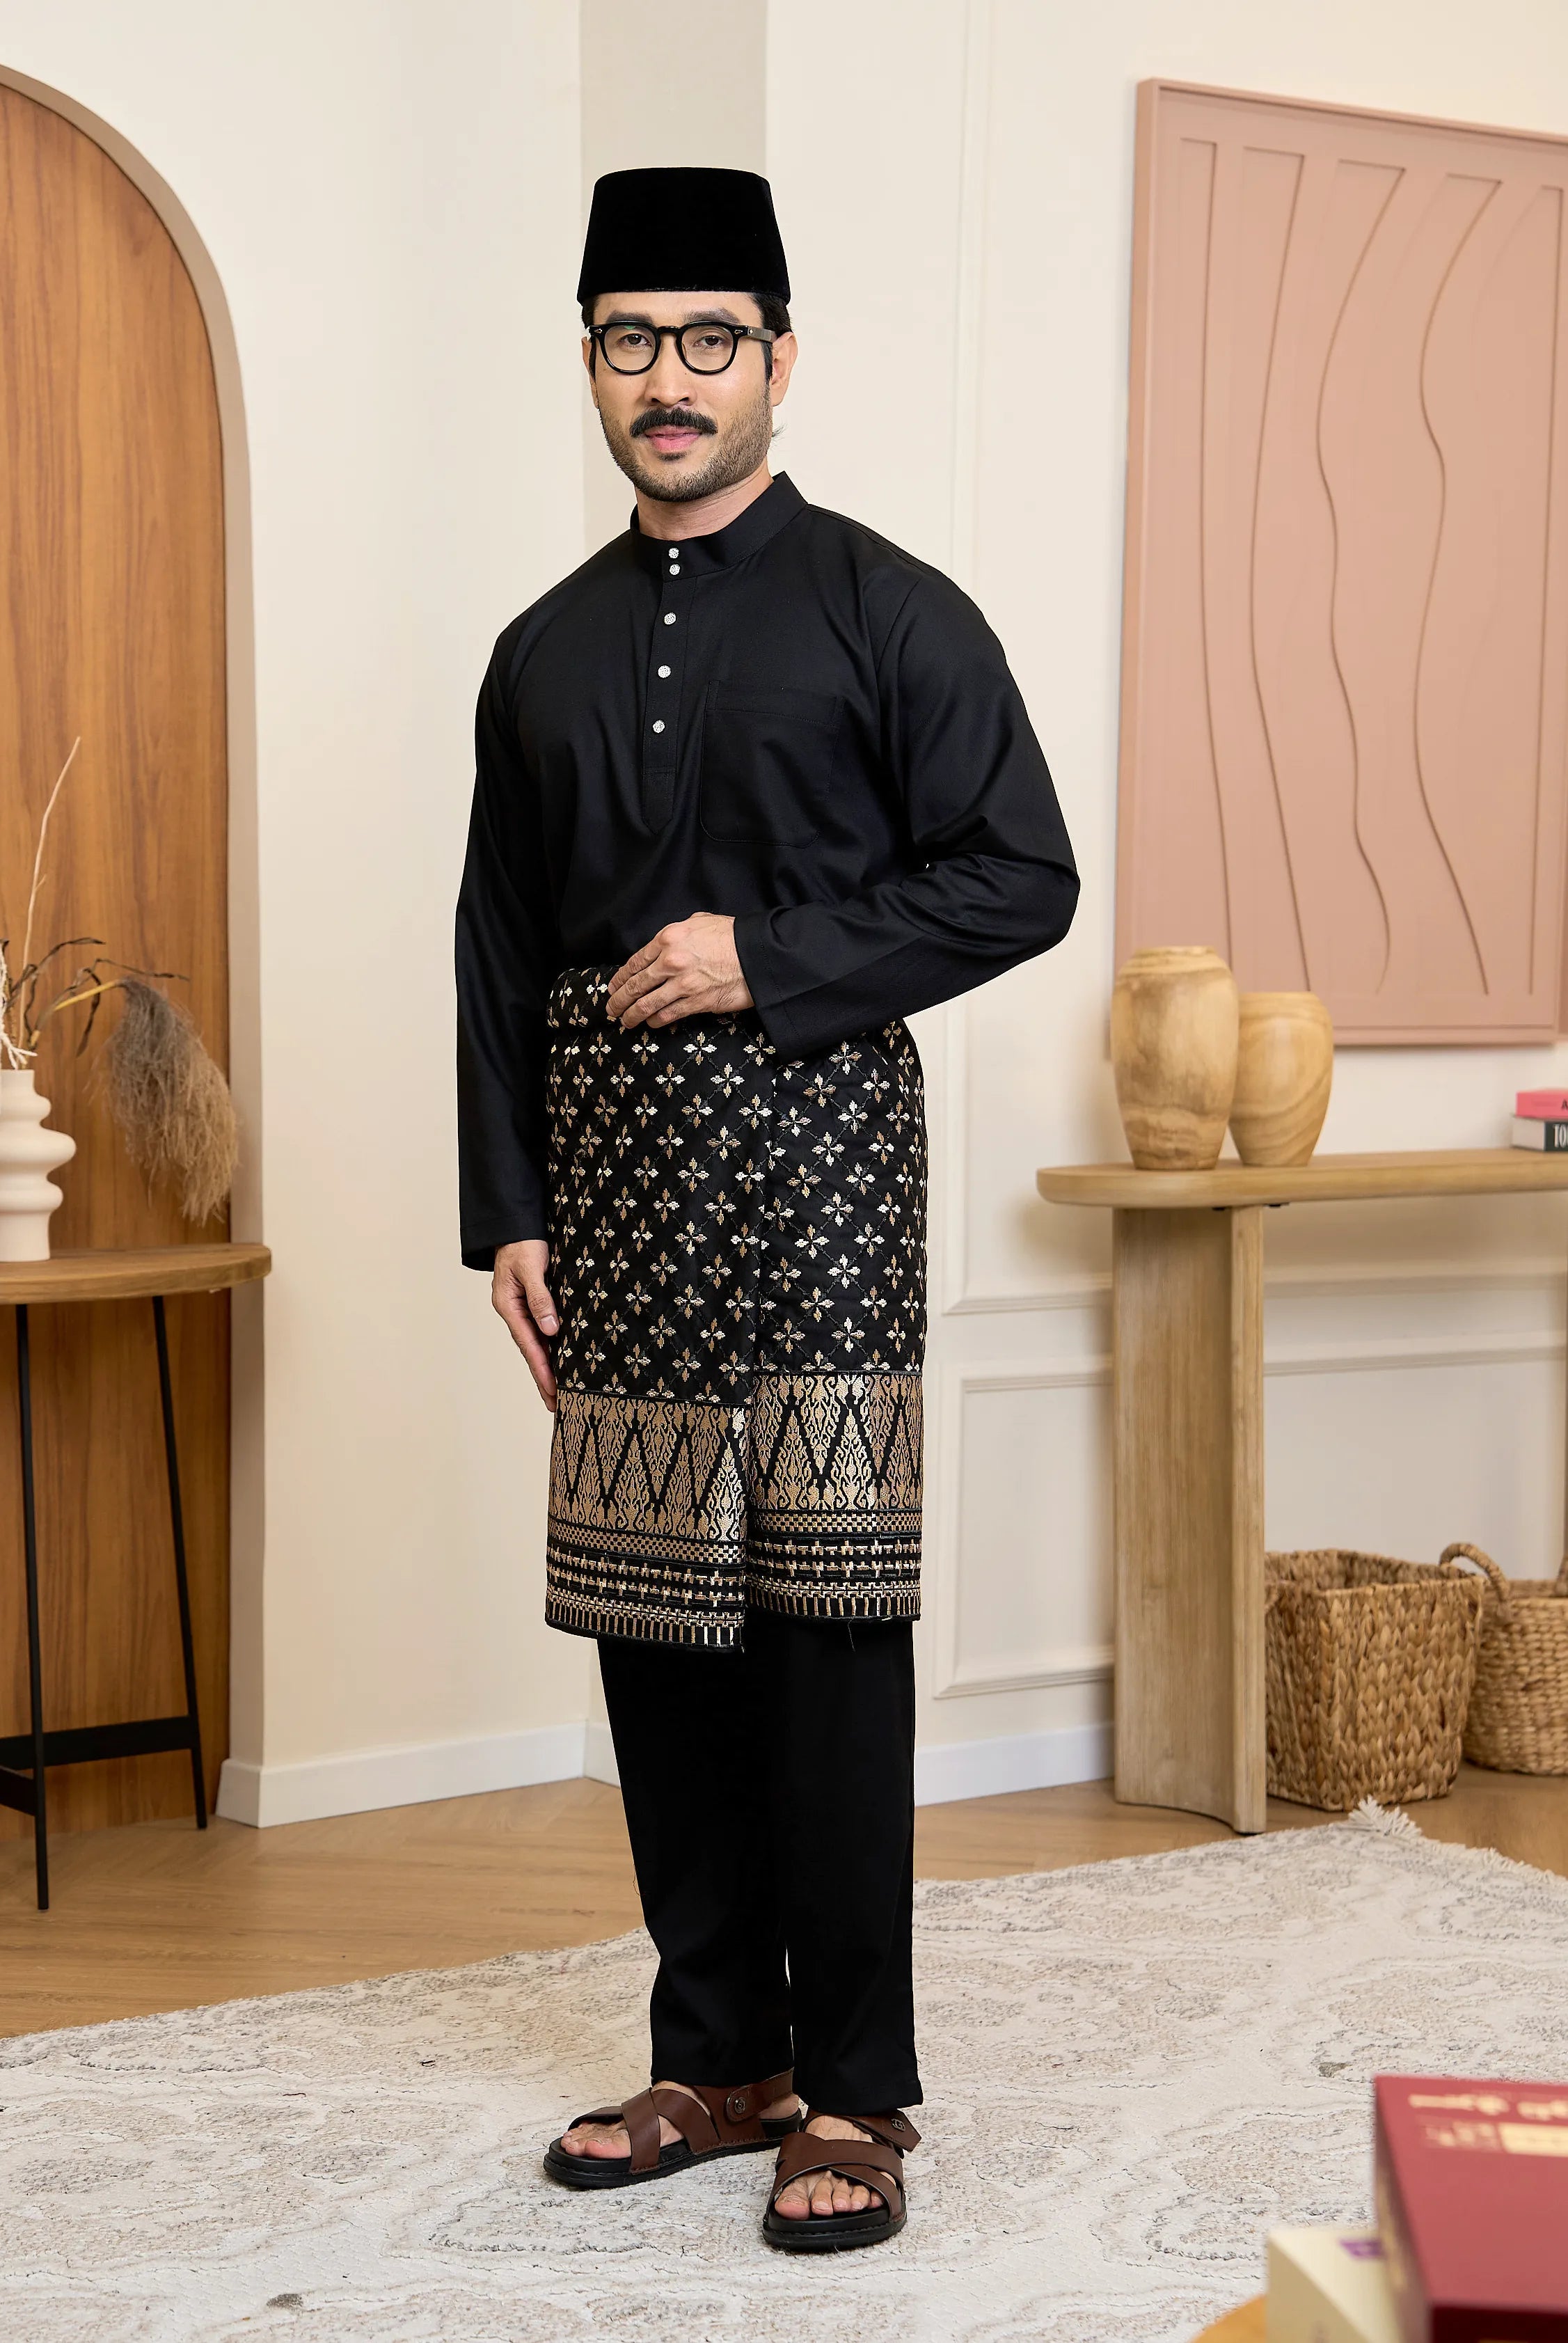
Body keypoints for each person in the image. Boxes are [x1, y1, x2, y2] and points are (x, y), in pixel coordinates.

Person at [456, 164, 1077, 2253]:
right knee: (657, 1629)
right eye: (631, 341)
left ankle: (862, 2094)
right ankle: (719, 2054)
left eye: (710, 339)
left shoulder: (890, 608)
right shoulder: (539, 649)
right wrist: (505, 1212)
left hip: (819, 1183)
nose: (670, 379)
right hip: (611, 1195)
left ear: (781, 360)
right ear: (593, 366)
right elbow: (492, 946)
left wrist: (770, 957)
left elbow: (1019, 872)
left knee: (828, 1628)